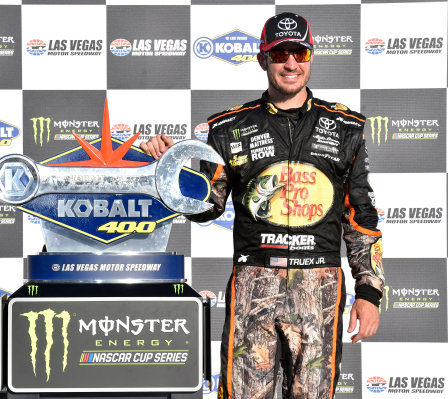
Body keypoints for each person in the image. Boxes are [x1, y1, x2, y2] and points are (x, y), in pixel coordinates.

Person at [140, 12, 385, 399]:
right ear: (262, 59)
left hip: (320, 287)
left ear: (311, 56)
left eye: (299, 53)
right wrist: (170, 171)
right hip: (254, 285)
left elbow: (362, 220)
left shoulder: (345, 128)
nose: (291, 63)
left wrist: (369, 294)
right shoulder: (228, 128)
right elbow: (207, 205)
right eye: (280, 53)